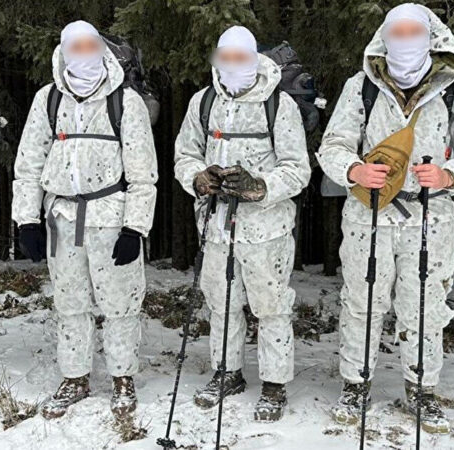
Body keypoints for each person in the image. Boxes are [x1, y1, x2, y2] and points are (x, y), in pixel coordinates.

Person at [317, 4, 454, 433]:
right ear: (384, 36)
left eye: (414, 31)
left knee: (425, 309)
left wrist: (450, 175)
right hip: (367, 216)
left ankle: (422, 390)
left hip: (430, 217)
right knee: (361, 304)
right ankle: (355, 385)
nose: (405, 39)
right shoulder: (361, 86)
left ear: (430, 37)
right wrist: (354, 170)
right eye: (397, 31)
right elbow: (332, 145)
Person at [12, 20, 158, 420]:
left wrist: (135, 228)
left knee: (120, 304)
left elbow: (144, 174)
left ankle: (122, 377)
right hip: (61, 219)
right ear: (63, 50)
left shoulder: (125, 103)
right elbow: (27, 165)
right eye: (75, 46)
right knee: (70, 303)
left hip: (110, 217)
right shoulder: (48, 100)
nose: (83, 53)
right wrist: (26, 220)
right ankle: (75, 376)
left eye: (90, 45)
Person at [173, 25, 311, 422]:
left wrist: (260, 186)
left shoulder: (278, 105)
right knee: (222, 305)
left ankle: (273, 384)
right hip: (216, 227)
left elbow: (298, 169)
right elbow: (185, 153)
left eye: (241, 58)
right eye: (226, 57)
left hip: (266, 230)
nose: (233, 65)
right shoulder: (203, 102)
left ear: (254, 59)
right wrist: (199, 177)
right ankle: (226, 372)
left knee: (270, 308)